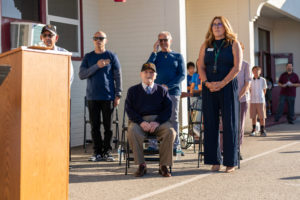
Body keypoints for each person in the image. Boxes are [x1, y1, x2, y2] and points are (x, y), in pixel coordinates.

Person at [197, 16, 242, 173]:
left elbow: (237, 67)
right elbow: (200, 65)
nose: (216, 27)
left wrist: (222, 83)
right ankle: (214, 160)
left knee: (229, 124)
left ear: (226, 27)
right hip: (209, 87)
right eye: (214, 24)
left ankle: (231, 162)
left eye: (220, 24)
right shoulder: (206, 45)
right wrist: (207, 82)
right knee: (210, 123)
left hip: (228, 86)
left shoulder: (233, 44)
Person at [125, 62, 176, 177]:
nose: (148, 75)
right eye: (146, 72)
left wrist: (157, 121)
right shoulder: (132, 90)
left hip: (158, 122)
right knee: (132, 131)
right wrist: (141, 122)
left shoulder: (162, 90)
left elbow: (168, 110)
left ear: (156, 75)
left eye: (151, 72)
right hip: (139, 121)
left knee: (170, 132)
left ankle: (163, 165)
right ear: (141, 74)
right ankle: (142, 165)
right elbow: (129, 110)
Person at [79, 31, 122, 162]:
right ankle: (97, 152)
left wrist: (118, 94)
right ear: (93, 41)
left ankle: (107, 152)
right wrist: (97, 66)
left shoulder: (112, 56)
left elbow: (118, 76)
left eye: (101, 38)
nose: (98, 40)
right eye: (96, 38)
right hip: (92, 97)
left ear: (106, 40)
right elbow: (82, 75)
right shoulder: (88, 57)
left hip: (108, 96)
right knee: (95, 126)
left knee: (108, 127)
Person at [148, 31, 185, 155]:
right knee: (154, 117)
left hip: (173, 92)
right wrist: (154, 51)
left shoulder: (178, 56)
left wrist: (168, 86)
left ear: (170, 40)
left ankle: (175, 145)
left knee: (173, 118)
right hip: (157, 93)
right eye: (160, 40)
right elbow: (148, 68)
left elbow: (182, 75)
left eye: (165, 40)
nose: (163, 42)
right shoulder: (156, 56)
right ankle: (153, 145)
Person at [249, 66, 267, 137]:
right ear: (252, 72)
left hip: (260, 101)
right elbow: (250, 89)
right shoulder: (250, 80)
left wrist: (261, 96)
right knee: (253, 116)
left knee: (262, 116)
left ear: (260, 72)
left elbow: (264, 90)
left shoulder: (263, 80)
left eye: (257, 71)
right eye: (254, 71)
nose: (255, 72)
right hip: (253, 101)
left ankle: (262, 130)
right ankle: (254, 130)